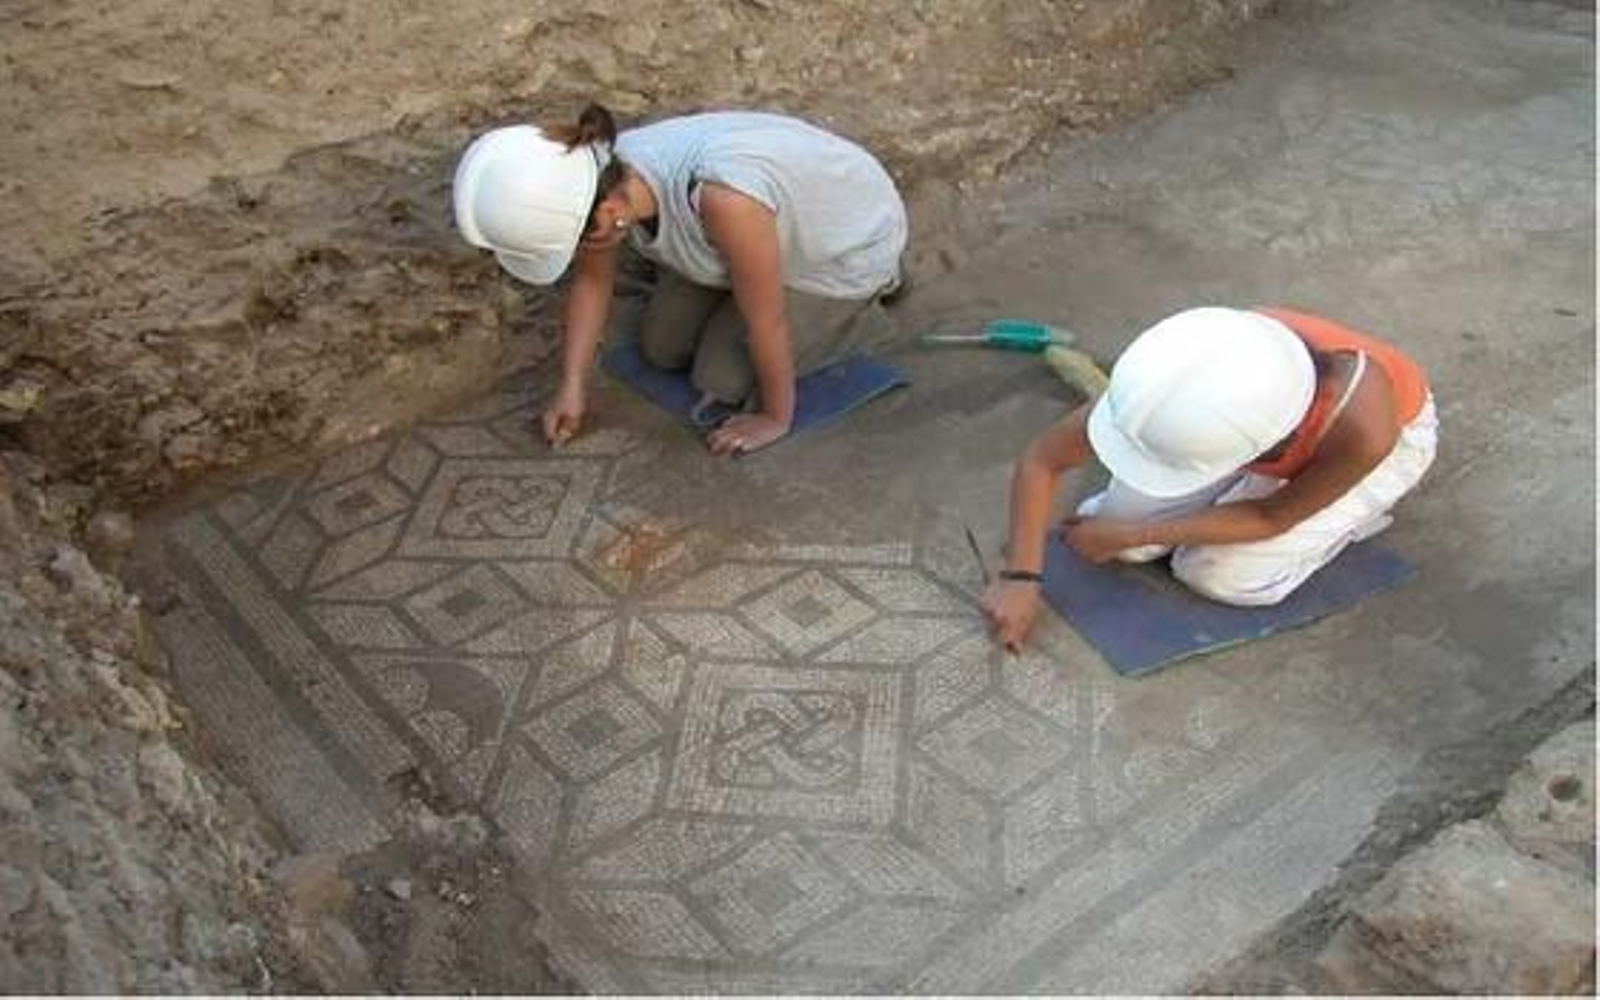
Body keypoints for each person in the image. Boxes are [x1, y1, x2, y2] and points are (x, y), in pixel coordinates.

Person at [452, 104, 908, 456]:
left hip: (842, 250)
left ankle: (870, 299)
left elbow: (766, 322)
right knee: (661, 347)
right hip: (755, 238)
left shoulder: (726, 198)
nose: (578, 255)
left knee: (722, 377)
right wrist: (571, 387)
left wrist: (774, 417)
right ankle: (739, 280)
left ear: (610, 215)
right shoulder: (598, 181)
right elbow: (591, 284)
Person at [981, 306, 1438, 650]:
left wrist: (1135, 531)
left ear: (1271, 443)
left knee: (1215, 574)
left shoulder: (1365, 431)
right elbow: (1043, 459)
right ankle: (1216, 506)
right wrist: (1021, 577)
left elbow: (1270, 515)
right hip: (1254, 437)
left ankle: (1350, 521)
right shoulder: (1180, 378)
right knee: (1112, 530)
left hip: (1383, 451)